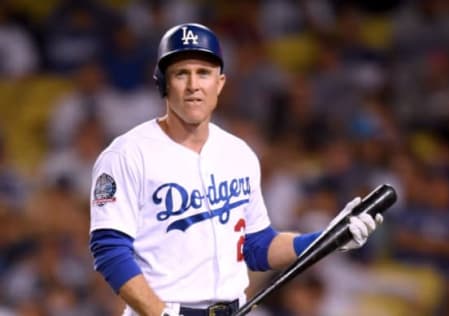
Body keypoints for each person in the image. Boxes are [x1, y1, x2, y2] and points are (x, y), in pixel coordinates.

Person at [88, 23, 383, 316]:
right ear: (163, 83)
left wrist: (329, 237)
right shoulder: (127, 154)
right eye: (181, 73)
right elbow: (109, 249)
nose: (193, 85)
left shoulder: (238, 153)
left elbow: (257, 246)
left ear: (220, 83)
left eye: (204, 73)